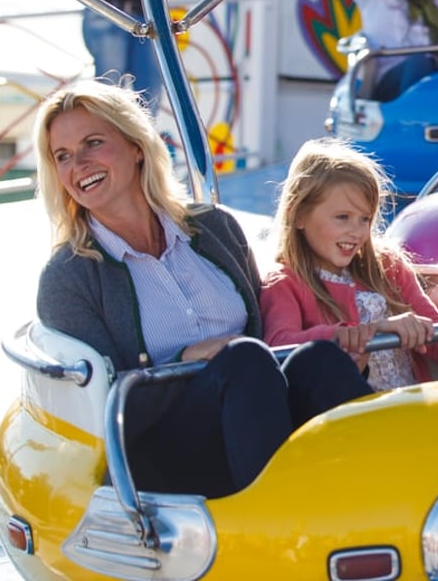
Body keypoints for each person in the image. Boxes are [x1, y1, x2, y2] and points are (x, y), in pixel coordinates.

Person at [34, 81, 373, 499]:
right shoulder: (68, 276)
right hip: (160, 445)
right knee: (244, 359)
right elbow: (97, 404)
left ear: (137, 146)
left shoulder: (215, 228)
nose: (79, 165)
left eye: (93, 144)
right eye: (62, 156)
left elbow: (267, 331)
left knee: (321, 359)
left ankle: (390, 488)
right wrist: (186, 358)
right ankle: (272, 516)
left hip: (253, 414)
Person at [261, 139, 438, 391]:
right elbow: (278, 345)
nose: (356, 231)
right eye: (343, 218)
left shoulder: (388, 266)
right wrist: (365, 331)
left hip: (409, 401)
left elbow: (437, 343)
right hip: (344, 413)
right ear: (299, 216)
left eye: (365, 219)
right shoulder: (285, 282)